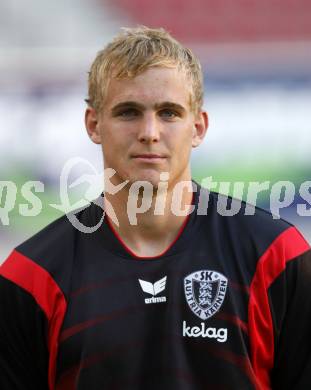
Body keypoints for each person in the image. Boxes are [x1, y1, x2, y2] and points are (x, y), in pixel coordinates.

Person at [0, 26, 310, 390]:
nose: (149, 131)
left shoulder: (275, 257)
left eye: (169, 113)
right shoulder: (31, 276)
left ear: (198, 127)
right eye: (129, 112)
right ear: (93, 124)